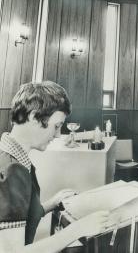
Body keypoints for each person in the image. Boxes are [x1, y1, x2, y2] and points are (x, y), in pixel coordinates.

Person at [0, 81, 110, 253]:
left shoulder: (11, 159)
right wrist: (79, 228)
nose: (58, 134)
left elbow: (16, 214)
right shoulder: (11, 172)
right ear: (34, 116)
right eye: (57, 126)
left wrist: (51, 203)